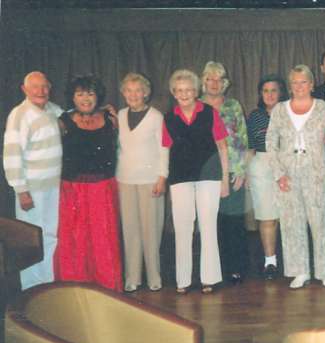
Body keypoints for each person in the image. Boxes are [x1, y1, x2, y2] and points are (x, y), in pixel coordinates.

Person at [266, 64, 325, 289]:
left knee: (320, 221)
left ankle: (324, 271)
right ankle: (300, 271)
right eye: (295, 82)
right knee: (292, 222)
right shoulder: (279, 110)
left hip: (317, 171)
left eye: (303, 82)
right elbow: (270, 143)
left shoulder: (323, 109)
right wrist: (278, 174)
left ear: (312, 84)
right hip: (288, 173)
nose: (299, 86)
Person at [163, 69, 229, 294]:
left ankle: (209, 278)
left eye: (189, 90)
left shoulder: (209, 112)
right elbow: (165, 150)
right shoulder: (169, 117)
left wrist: (224, 180)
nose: (184, 94)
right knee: (182, 227)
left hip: (209, 177)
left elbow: (222, 146)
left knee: (208, 226)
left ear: (196, 91)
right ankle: (183, 280)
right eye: (179, 90)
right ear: (173, 92)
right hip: (180, 178)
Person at [54, 75, 122, 291]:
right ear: (72, 97)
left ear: (97, 96)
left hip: (103, 187)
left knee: (104, 237)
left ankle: (107, 285)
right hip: (73, 188)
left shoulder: (110, 118)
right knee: (75, 239)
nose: (85, 98)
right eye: (80, 94)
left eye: (90, 94)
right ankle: (75, 286)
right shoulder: (62, 121)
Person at [3, 71, 63, 290]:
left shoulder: (52, 110)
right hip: (31, 190)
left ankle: (47, 283)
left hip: (53, 187)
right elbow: (11, 154)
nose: (41, 91)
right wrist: (21, 190)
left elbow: (73, 115)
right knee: (30, 239)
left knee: (50, 235)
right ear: (24, 89)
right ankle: (30, 288)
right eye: (35, 87)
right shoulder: (19, 115)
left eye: (45, 87)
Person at [116, 73, 168, 292]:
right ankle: (133, 277)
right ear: (123, 93)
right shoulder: (119, 115)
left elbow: (164, 148)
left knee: (151, 229)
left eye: (138, 90)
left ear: (146, 93)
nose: (133, 95)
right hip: (125, 179)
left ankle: (154, 276)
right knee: (130, 230)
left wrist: (161, 177)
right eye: (128, 90)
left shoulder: (156, 116)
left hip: (150, 180)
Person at [200, 61, 248, 285]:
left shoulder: (233, 106)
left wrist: (241, 170)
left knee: (233, 221)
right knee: (210, 222)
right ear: (203, 81)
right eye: (210, 78)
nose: (214, 83)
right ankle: (211, 271)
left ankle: (235, 268)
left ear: (225, 83)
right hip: (204, 170)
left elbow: (242, 138)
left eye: (219, 79)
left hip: (232, 169)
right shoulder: (195, 105)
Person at [247, 74, 289, 280]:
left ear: (281, 92)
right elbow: (250, 147)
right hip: (262, 166)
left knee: (290, 217)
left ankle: (293, 263)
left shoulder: (291, 112)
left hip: (288, 165)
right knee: (267, 217)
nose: (270, 94)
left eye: (274, 90)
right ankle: (270, 262)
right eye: (265, 91)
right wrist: (245, 173)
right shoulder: (255, 116)